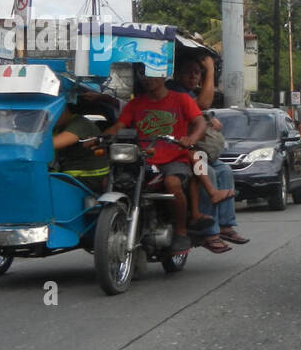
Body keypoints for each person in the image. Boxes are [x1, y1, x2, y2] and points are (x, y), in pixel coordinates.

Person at [102, 71, 206, 253]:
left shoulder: (181, 99)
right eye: (143, 75)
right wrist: (101, 137)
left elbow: (200, 122)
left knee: (172, 183)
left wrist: (191, 139)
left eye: (151, 75)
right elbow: (119, 127)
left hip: (174, 158)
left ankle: (181, 231)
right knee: (109, 180)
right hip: (142, 157)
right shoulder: (135, 104)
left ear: (163, 76)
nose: (146, 79)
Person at [168, 56, 248, 252]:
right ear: (178, 73)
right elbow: (202, 104)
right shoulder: (174, 90)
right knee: (209, 174)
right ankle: (209, 232)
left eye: (198, 72)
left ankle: (225, 225)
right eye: (189, 72)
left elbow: (200, 111)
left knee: (225, 171)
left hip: (197, 150)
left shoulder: (187, 92)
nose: (194, 76)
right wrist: (210, 70)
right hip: (179, 150)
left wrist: (208, 118)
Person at [51, 98, 108, 192]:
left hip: (87, 177)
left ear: (63, 109)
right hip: (69, 175)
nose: (49, 116)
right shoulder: (57, 127)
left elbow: (54, 143)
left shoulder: (80, 123)